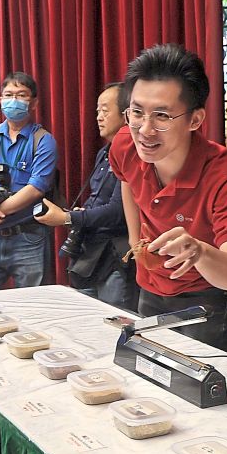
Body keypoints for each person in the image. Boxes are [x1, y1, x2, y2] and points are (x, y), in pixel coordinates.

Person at [111, 44, 227, 351]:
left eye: (161, 116)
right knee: (149, 373)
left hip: (206, 298)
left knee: (194, 391)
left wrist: (199, 252)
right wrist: (138, 244)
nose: (145, 130)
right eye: (136, 112)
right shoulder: (125, 143)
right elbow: (127, 182)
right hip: (150, 286)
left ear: (195, 120)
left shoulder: (222, 177)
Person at [34, 81, 136, 311]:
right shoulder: (104, 152)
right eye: (97, 111)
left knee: (116, 327)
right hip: (90, 255)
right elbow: (97, 200)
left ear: (126, 114)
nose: (99, 117)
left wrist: (67, 219)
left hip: (116, 257)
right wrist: (79, 214)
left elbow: (118, 211)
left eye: (105, 110)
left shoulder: (134, 152)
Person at [0, 71, 58, 291]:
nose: (13, 100)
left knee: (30, 309)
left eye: (21, 95)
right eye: (8, 94)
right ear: (0, 100)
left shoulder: (43, 140)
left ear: (33, 103)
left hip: (28, 238)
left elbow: (37, 187)